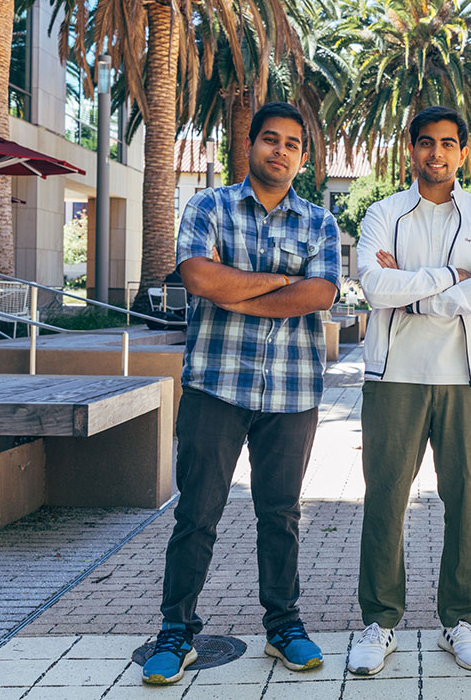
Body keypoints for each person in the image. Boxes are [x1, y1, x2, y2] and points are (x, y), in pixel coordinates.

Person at [141, 101, 342, 685]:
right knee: (197, 514)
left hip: (293, 390)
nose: (279, 151)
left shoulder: (319, 222)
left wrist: (239, 289)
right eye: (270, 140)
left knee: (279, 515)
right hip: (215, 387)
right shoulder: (208, 204)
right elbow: (197, 276)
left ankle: (283, 626)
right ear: (249, 145)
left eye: (291, 144)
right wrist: (284, 280)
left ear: (302, 158)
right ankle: (176, 633)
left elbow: (322, 293)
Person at [345, 106, 471, 676]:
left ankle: (460, 621)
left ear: (463, 152)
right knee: (385, 499)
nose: (435, 153)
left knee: (466, 502)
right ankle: (379, 622)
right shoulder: (382, 213)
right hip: (394, 375)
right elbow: (373, 285)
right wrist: (449, 278)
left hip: (468, 376)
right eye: (425, 143)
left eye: (447, 143)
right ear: (410, 150)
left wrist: (410, 290)